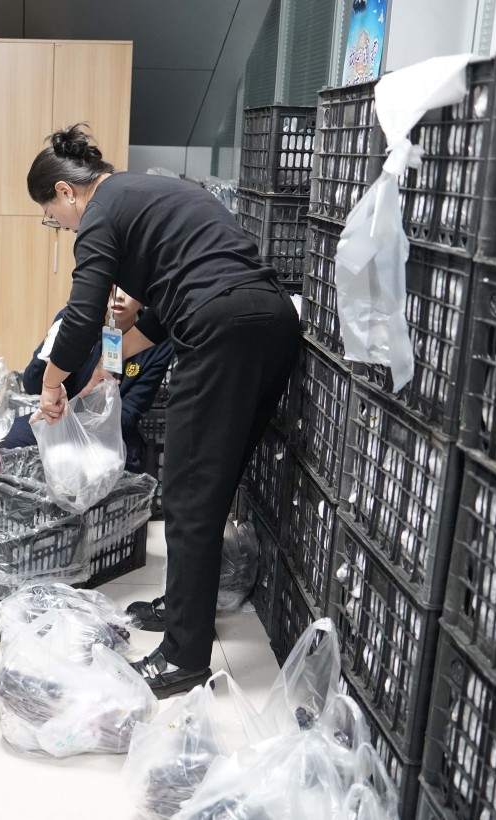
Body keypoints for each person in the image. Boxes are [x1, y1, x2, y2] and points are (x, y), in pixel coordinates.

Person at [28, 125, 299, 697]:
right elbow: (157, 313)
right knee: (211, 484)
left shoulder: (101, 210)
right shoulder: (155, 192)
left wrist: (53, 382)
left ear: (67, 192)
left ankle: (183, 655)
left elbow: (82, 313)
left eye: (54, 216)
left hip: (220, 329)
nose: (64, 226)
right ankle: (183, 607)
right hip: (271, 321)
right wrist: (105, 370)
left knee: (187, 492)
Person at [0, 286, 173, 473]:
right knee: (4, 444)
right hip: (59, 420)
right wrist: (47, 355)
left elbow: (130, 413)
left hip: (111, 435)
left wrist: (86, 416)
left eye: (129, 288)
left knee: (83, 470)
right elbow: (32, 385)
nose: (119, 296)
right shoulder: (79, 319)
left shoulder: (157, 343)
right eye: (113, 285)